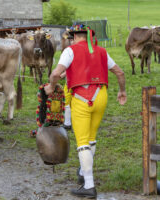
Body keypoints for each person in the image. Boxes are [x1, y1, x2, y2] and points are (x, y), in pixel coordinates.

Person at [44, 24, 127, 198]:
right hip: (101, 96)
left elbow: (55, 74)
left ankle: (89, 185)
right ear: (89, 36)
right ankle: (82, 172)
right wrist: (122, 91)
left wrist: (51, 87)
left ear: (74, 36)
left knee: (82, 141)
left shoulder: (70, 51)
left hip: (81, 97)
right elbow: (120, 73)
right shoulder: (102, 51)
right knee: (91, 137)